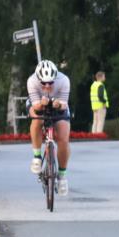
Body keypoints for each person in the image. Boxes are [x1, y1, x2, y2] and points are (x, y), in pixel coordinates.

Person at [28, 60, 71, 195]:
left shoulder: (63, 80)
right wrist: (41, 104)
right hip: (39, 103)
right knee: (36, 119)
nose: (47, 86)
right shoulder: (32, 81)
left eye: (51, 82)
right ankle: (37, 156)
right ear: (38, 79)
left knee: (63, 138)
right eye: (44, 83)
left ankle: (62, 176)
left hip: (58, 104)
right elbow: (35, 107)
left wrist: (58, 104)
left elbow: (64, 105)